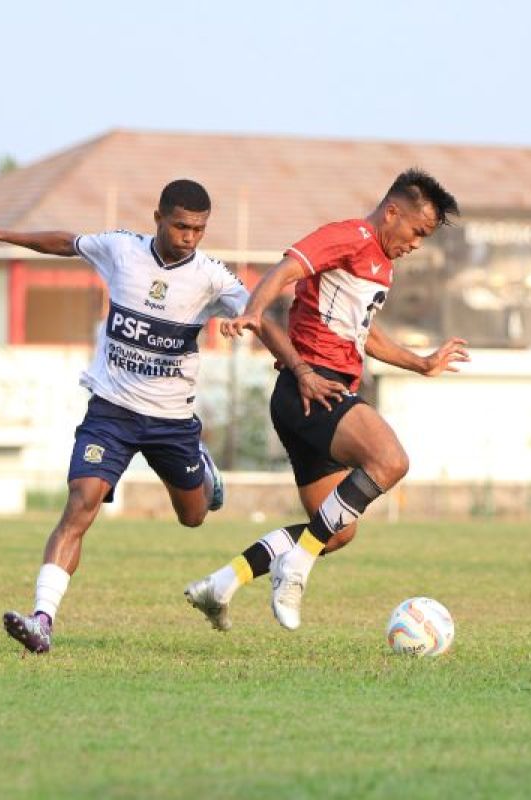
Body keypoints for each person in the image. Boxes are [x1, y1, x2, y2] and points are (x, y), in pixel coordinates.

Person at [0, 179, 256, 654]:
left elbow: (258, 310)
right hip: (111, 411)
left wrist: (287, 354)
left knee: (194, 516)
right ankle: (42, 619)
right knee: (81, 504)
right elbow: (65, 243)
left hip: (171, 422)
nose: (189, 237)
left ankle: (202, 467)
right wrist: (2, 236)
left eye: (198, 229)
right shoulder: (120, 249)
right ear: (157, 217)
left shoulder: (212, 276)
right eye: (180, 226)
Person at [184, 168, 469, 632]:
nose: (417, 243)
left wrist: (420, 363)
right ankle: (295, 566)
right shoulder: (349, 237)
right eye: (417, 231)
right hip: (312, 389)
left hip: (318, 396)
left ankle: (221, 583)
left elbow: (363, 334)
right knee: (390, 460)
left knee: (336, 531)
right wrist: (254, 312)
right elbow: (287, 268)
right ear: (392, 212)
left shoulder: (380, 263)